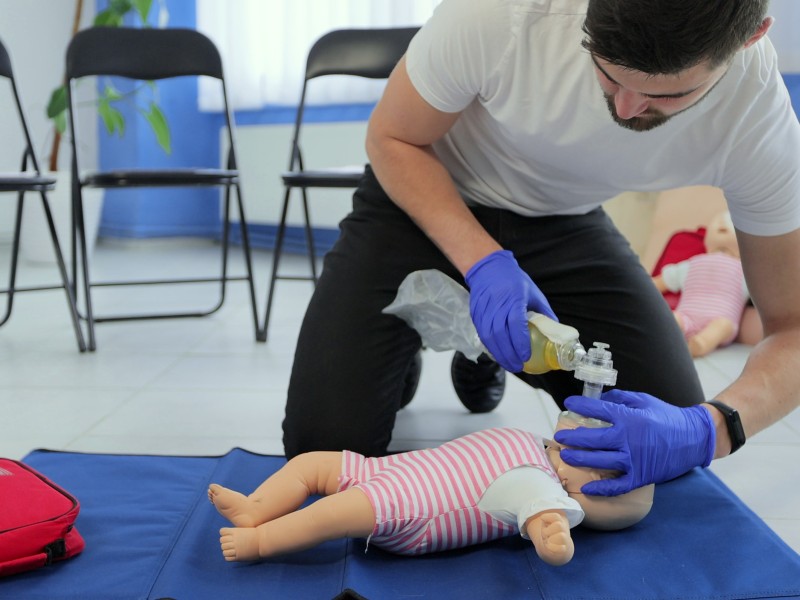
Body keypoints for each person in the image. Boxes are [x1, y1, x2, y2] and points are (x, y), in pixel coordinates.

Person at [283, 0, 800, 499]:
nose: (624, 108)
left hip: (564, 222)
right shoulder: (499, 13)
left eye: (665, 95)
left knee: (659, 426)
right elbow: (393, 138)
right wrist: (482, 261)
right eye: (607, 73)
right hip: (422, 198)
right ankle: (426, 334)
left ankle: (485, 350)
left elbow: (792, 328)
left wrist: (712, 428)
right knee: (323, 451)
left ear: (749, 39)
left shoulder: (757, 118)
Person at [209, 426, 651, 565]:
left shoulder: (543, 487)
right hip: (390, 470)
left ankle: (260, 541)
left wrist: (551, 531)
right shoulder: (536, 442)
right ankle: (255, 507)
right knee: (310, 464)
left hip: (412, 510)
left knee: (328, 515)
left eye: (601, 466)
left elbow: (543, 516)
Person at [652, 211, 749, 358]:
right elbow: (662, 281)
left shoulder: (745, 271)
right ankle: (657, 337)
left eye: (730, 224)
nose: (722, 224)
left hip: (720, 320)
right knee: (673, 318)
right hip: (686, 316)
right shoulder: (693, 263)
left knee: (723, 326)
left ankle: (701, 343)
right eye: (718, 222)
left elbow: (763, 294)